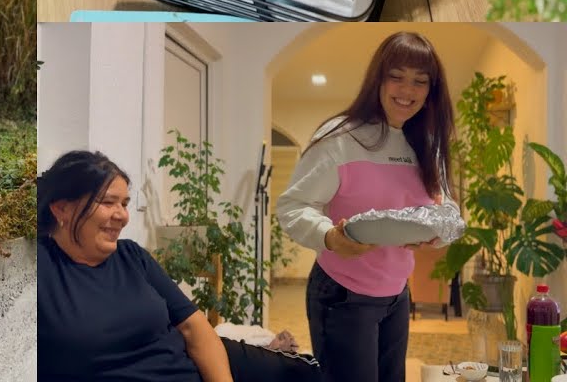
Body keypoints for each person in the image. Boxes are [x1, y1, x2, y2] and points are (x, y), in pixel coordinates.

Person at [39, 149, 321, 382]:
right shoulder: (41, 271)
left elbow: (194, 328)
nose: (122, 216)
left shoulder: (131, 256)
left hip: (196, 366)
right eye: (109, 202)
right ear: (61, 208)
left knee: (310, 372)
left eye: (124, 204)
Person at [277, 30, 455, 382]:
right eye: (397, 77)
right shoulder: (341, 137)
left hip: (396, 293)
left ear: (431, 91)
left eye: (420, 82)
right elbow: (293, 207)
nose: (408, 91)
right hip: (343, 295)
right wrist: (330, 236)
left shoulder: (426, 143)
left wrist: (437, 235)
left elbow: (445, 207)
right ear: (378, 79)